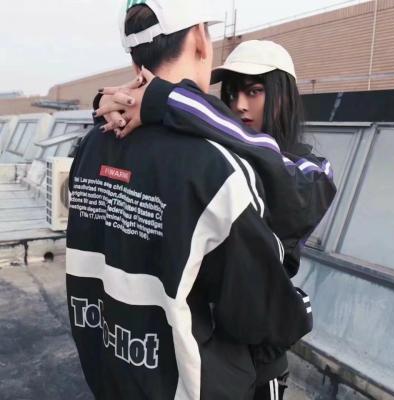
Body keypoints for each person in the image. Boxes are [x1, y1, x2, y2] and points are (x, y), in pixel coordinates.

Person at [67, 2, 317, 400]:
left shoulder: (91, 144)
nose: (240, 104)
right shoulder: (214, 168)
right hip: (185, 382)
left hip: (113, 370)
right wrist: (296, 312)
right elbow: (259, 316)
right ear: (201, 37)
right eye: (234, 91)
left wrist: (145, 102)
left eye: (255, 91)